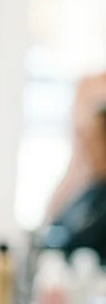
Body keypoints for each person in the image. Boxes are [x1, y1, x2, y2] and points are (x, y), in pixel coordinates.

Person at [43, 106, 106, 264]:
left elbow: (78, 242)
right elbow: (54, 226)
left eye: (93, 138)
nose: (86, 147)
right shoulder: (89, 190)